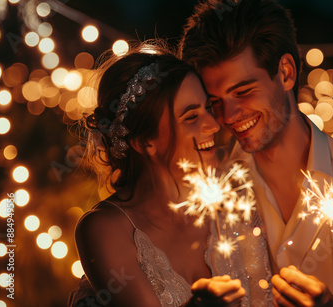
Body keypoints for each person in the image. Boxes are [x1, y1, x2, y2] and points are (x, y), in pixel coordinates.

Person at [179, 0, 333, 306]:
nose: (228, 115)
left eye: (242, 91)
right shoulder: (206, 184)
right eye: (215, 101)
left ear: (286, 72)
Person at [68, 42, 273, 307]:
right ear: (145, 142)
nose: (212, 125)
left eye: (207, 108)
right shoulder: (104, 229)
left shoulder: (236, 202)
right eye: (191, 117)